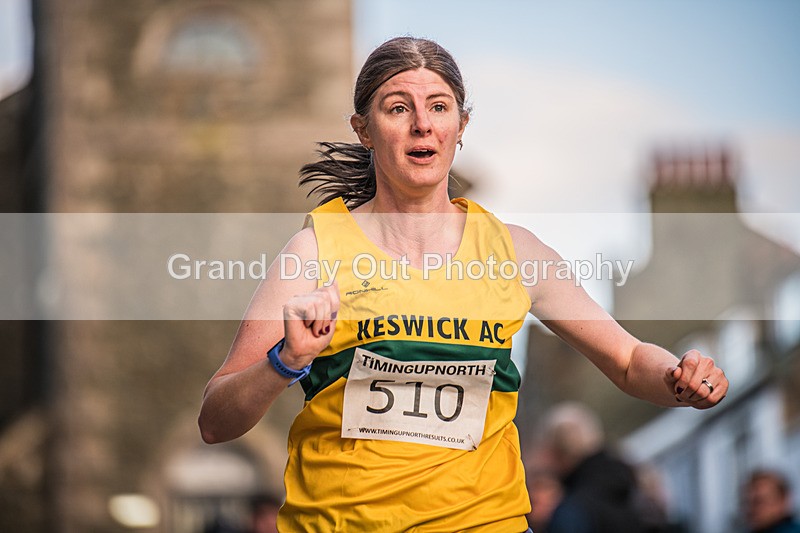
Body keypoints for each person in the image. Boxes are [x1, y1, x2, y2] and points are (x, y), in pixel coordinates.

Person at [197, 36, 729, 532]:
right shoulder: (314, 252)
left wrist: (680, 379)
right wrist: (285, 361)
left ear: (461, 124)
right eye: (398, 107)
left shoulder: (515, 252)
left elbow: (629, 360)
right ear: (364, 129)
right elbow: (216, 422)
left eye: (439, 106)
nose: (421, 125)